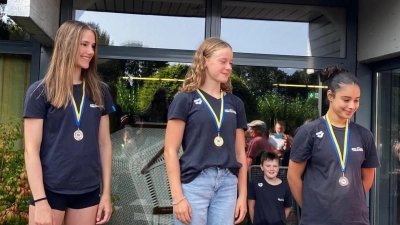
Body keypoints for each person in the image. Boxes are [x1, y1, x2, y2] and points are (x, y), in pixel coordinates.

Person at [23, 20, 115, 225]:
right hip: (49, 190)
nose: (90, 51)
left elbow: (104, 144)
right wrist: (40, 202)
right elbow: (31, 149)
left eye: (93, 46)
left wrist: (106, 192)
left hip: (88, 190)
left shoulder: (100, 91)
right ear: (67, 44)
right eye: (84, 44)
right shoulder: (40, 92)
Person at [164, 37, 248, 225]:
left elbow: (240, 153)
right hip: (195, 183)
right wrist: (178, 198)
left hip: (227, 184)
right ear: (204, 61)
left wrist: (242, 196)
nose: (229, 67)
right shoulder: (185, 99)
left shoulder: (235, 103)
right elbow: (170, 150)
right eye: (223, 61)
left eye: (231, 63)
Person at [287, 66, 380, 225]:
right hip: (317, 220)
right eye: (346, 99)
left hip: (355, 219)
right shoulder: (309, 132)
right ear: (330, 96)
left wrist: (347, 199)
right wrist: (312, 208)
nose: (352, 106)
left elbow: (368, 177)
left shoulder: (364, 135)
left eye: (356, 100)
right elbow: (293, 176)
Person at [248, 152, 292, 225]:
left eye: (275, 166)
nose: (272, 169)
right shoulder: (254, 184)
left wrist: (280, 220)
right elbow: (251, 206)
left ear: (278, 168)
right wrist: (254, 222)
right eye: (268, 166)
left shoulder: (285, 187)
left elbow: (287, 208)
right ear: (262, 167)